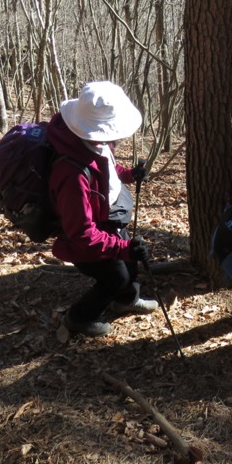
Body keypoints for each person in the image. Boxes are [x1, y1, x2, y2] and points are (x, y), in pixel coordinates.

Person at [47, 81, 156, 337]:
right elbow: (82, 234)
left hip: (109, 219)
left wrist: (130, 175)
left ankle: (126, 301)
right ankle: (79, 317)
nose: (117, 136)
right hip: (86, 237)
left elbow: (107, 169)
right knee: (115, 277)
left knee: (130, 266)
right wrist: (124, 248)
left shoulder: (94, 140)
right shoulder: (70, 173)